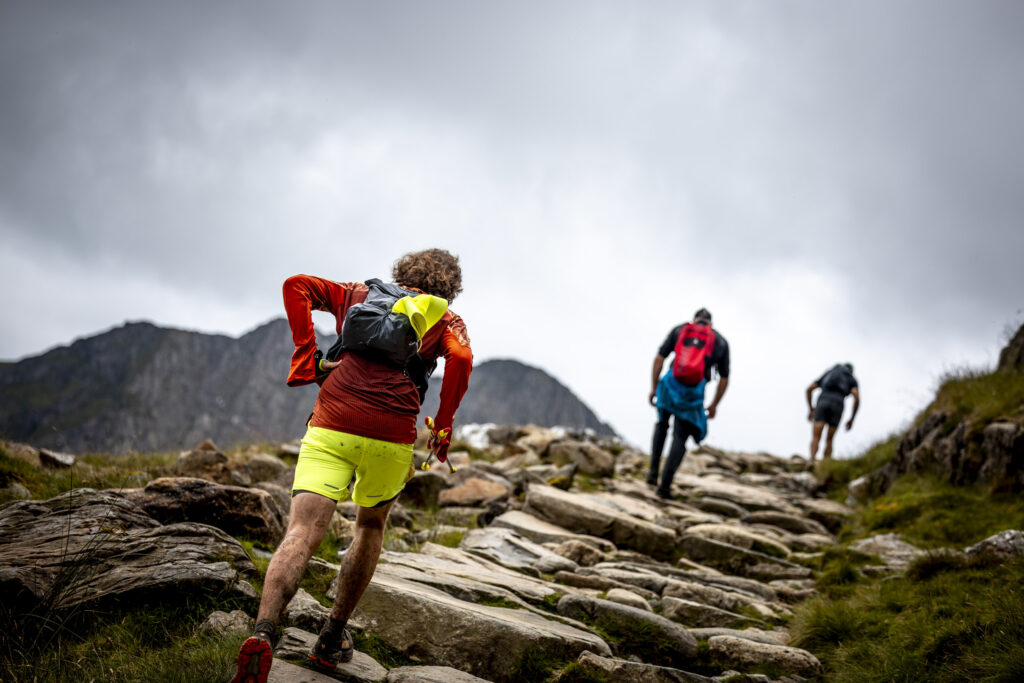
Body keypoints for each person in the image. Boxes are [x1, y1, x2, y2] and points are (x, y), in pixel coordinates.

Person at [232, 249, 473, 683]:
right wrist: (444, 424)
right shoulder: (446, 320)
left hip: (332, 424)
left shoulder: (360, 294)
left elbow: (295, 286)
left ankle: (264, 634)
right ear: (450, 288)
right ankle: (330, 639)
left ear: (401, 273)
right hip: (392, 436)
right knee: (369, 527)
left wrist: (308, 357)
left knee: (302, 531)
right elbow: (462, 359)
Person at [647, 308, 730, 499]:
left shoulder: (680, 331)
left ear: (695, 319)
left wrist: (654, 387)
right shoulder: (720, 342)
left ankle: (652, 473)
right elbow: (724, 378)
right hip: (693, 393)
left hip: (670, 385)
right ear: (711, 323)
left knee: (662, 425)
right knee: (680, 436)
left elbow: (660, 358)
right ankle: (664, 487)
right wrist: (714, 404)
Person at [806, 362, 859, 462]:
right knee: (829, 439)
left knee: (816, 436)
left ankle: (812, 460)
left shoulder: (829, 373)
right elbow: (856, 397)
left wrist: (811, 409)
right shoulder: (851, 379)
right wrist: (852, 418)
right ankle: (826, 463)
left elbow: (809, 389)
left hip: (823, 401)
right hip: (838, 405)